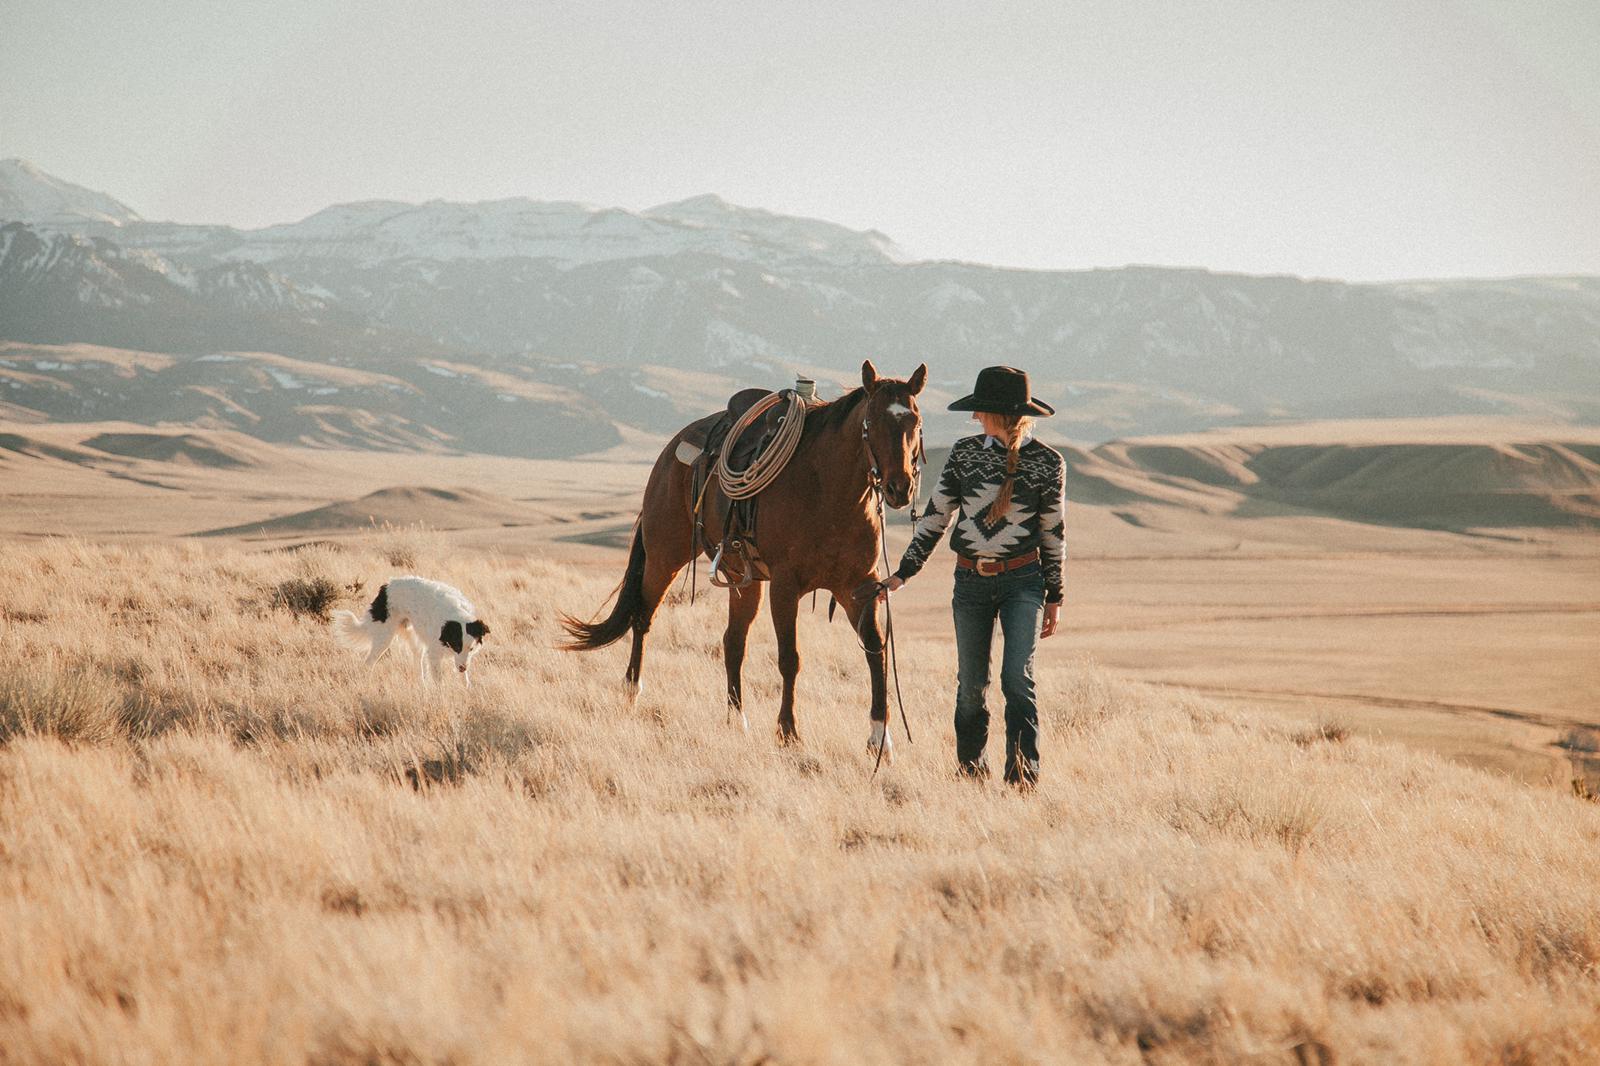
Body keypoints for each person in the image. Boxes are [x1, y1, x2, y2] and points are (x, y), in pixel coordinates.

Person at [881, 366, 1065, 786]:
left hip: (1024, 583)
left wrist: (1054, 595)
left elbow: (1053, 532)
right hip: (971, 583)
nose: (976, 418)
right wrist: (903, 573)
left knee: (1017, 680)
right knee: (970, 687)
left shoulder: (1047, 463)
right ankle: (970, 774)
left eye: (981, 411)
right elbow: (936, 517)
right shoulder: (964, 455)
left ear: (997, 414)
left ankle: (1022, 778)